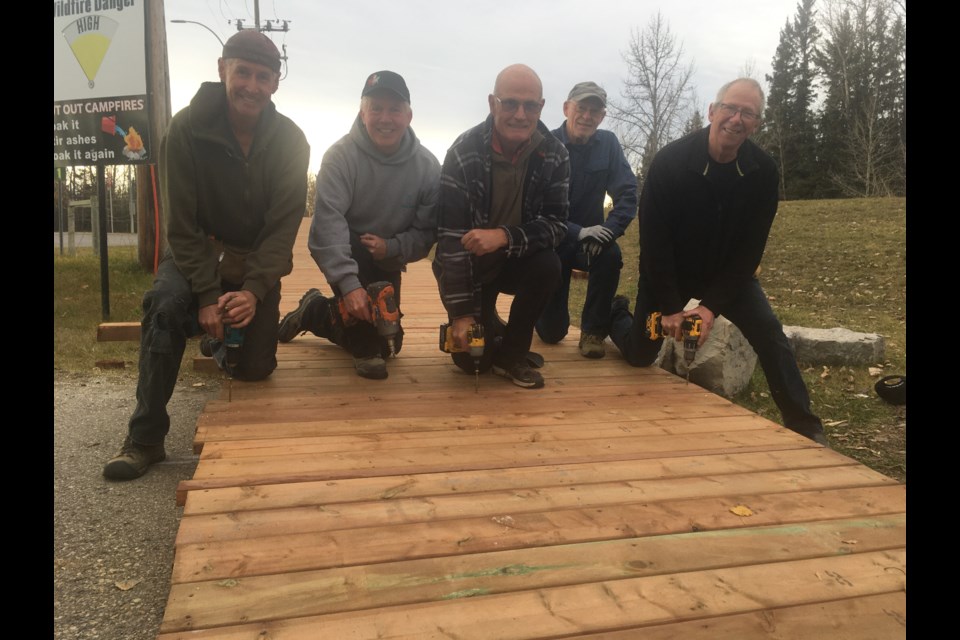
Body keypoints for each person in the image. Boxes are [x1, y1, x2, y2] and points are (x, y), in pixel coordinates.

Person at [103, 31, 310, 480]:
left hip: (253, 261)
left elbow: (281, 231)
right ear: (222, 70)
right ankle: (144, 437)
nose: (251, 86)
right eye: (243, 73)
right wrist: (206, 295)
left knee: (255, 370)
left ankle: (220, 341)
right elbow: (179, 224)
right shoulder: (184, 129)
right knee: (165, 307)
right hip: (195, 252)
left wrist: (254, 290)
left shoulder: (292, 141)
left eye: (262, 76)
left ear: (275, 83)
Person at [608, 78, 828, 445]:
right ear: (712, 111)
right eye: (730, 108)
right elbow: (655, 245)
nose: (736, 119)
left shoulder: (763, 171)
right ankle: (616, 313)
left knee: (770, 333)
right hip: (669, 273)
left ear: (757, 123)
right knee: (639, 356)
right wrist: (669, 307)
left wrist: (710, 308)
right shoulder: (670, 163)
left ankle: (805, 425)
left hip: (727, 275)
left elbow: (750, 251)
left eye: (748, 113)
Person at [276, 70, 440, 380]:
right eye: (376, 108)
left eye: (394, 109)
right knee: (369, 346)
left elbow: (426, 233)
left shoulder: (428, 167)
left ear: (409, 115)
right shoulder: (339, 157)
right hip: (348, 252)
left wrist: (391, 248)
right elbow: (327, 226)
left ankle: (315, 311)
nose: (385, 118)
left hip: (390, 256)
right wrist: (349, 286)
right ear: (362, 112)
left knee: (391, 344)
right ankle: (359, 337)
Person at [433, 64, 569, 389]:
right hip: (471, 265)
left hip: (516, 259)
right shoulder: (462, 153)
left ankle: (512, 355)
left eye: (530, 105)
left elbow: (556, 226)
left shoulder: (555, 154)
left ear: (541, 107)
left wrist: (503, 237)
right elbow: (450, 242)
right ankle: (486, 323)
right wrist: (462, 314)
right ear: (493, 103)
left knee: (549, 264)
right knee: (470, 363)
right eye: (510, 103)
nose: (520, 114)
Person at [535, 81, 637, 359]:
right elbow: (535, 206)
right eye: (581, 108)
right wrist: (578, 232)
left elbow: (628, 193)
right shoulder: (545, 143)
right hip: (554, 240)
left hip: (592, 243)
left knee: (610, 254)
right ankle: (542, 315)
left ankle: (594, 330)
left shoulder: (609, 145)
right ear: (567, 108)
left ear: (602, 116)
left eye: (595, 111)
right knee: (551, 334)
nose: (587, 116)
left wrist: (609, 230)